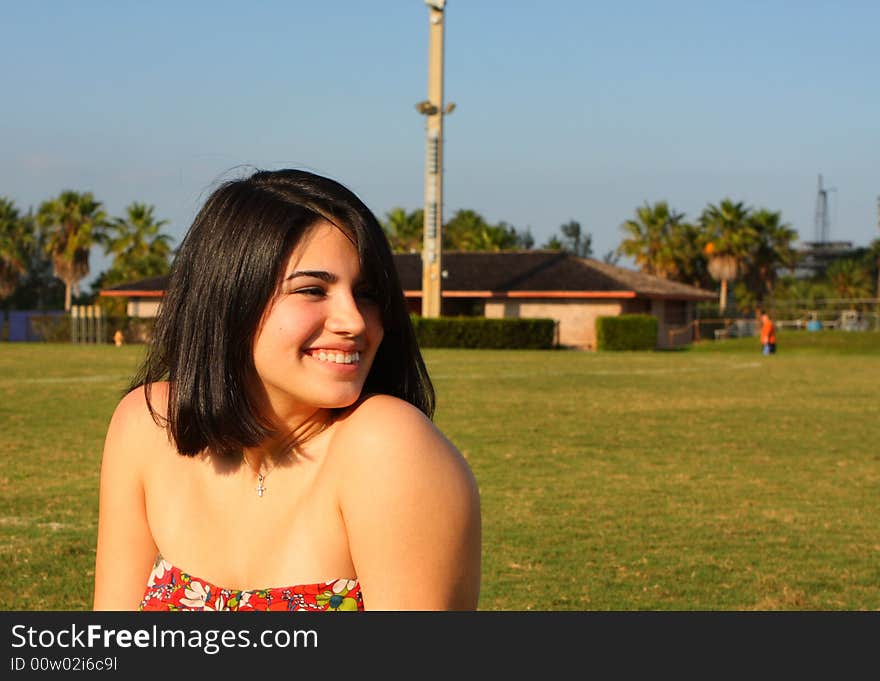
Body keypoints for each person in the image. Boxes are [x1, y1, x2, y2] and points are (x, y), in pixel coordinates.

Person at [93, 169, 481, 611]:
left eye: (368, 294)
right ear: (230, 297)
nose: (354, 322)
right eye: (314, 290)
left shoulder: (386, 445)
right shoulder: (148, 425)